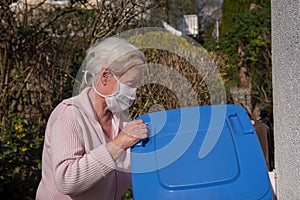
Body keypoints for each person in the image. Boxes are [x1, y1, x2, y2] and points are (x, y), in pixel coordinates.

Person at [36, 37, 148, 199]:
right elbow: (67, 180)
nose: (134, 92)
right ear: (105, 76)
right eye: (130, 84)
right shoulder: (69, 115)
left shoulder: (121, 121)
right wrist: (119, 143)